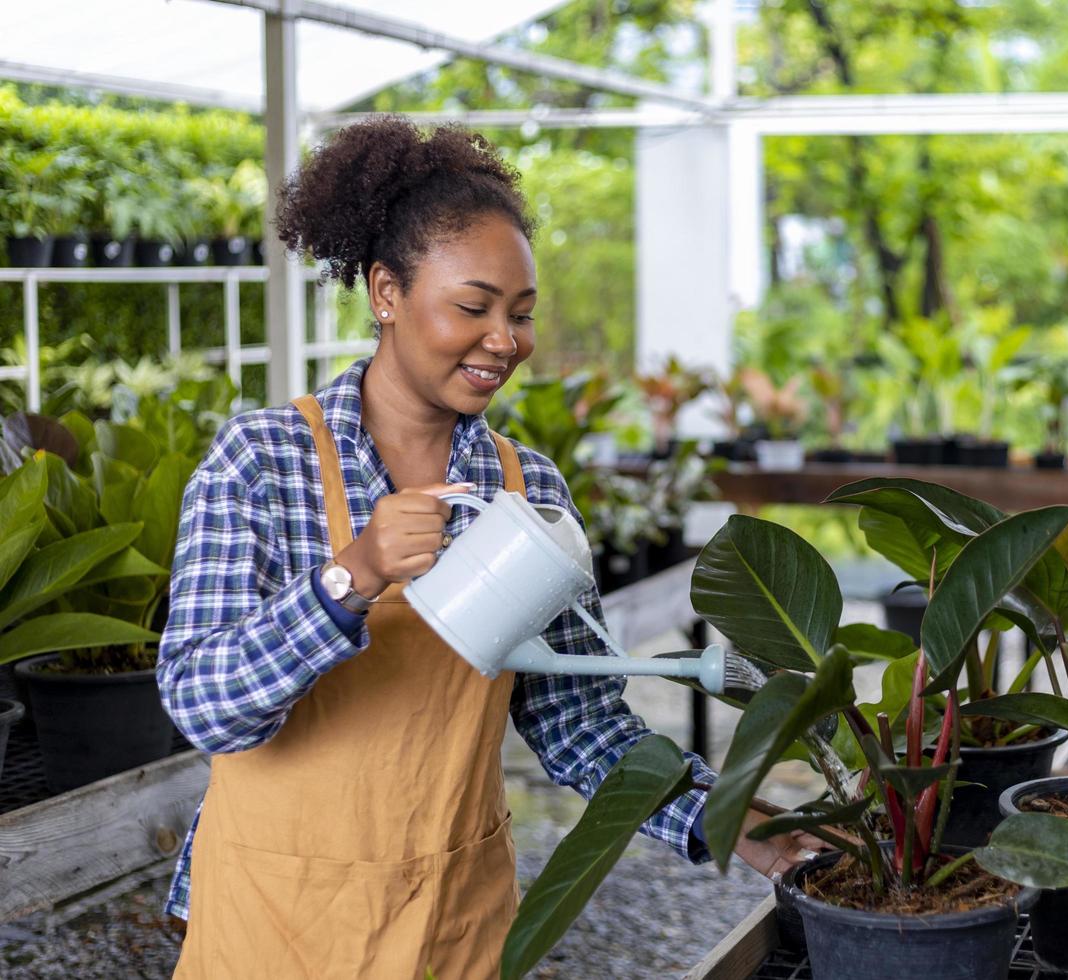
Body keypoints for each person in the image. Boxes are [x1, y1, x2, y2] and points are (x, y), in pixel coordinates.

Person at [158, 117, 821, 978]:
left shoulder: (527, 488)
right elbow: (203, 706)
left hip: (453, 917)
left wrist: (736, 819)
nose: (504, 340)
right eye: (473, 307)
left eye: (521, 314)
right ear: (386, 292)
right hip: (279, 921)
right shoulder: (259, 463)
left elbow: (577, 721)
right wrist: (349, 577)